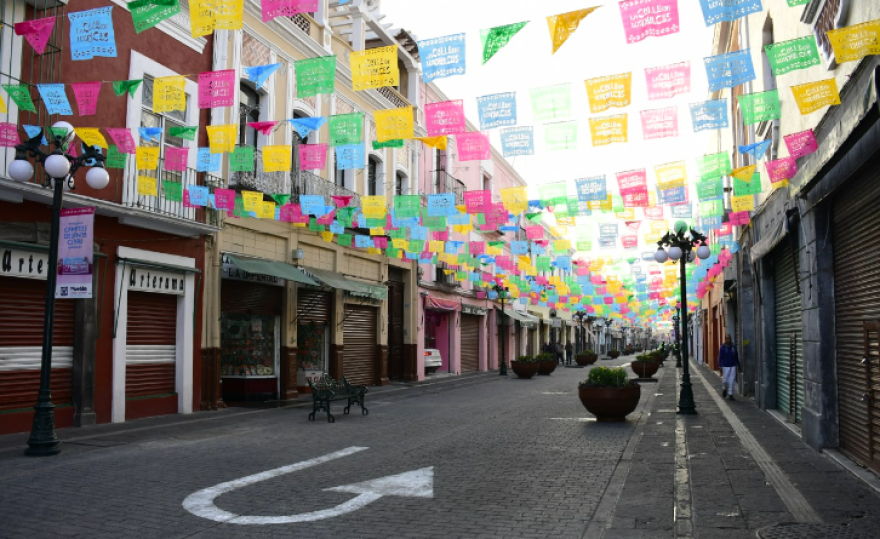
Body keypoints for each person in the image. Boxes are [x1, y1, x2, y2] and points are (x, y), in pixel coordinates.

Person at [719, 334, 740, 401]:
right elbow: (720, 357)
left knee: (732, 380)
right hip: (725, 366)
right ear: (725, 339)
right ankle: (725, 388)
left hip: (733, 365)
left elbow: (736, 357)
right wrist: (720, 366)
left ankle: (731, 394)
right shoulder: (722, 347)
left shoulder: (733, 347)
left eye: (729, 338)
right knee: (725, 380)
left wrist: (739, 365)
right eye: (727, 338)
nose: (728, 340)